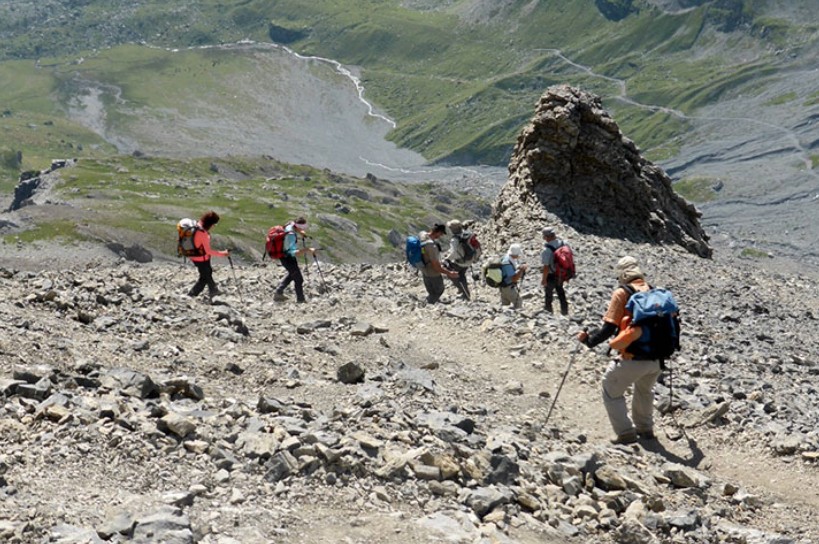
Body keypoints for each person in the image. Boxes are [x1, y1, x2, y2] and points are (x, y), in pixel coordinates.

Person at [577, 256, 660, 445]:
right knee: (644, 391)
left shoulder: (622, 293)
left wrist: (588, 341)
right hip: (657, 357)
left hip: (633, 356)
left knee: (610, 389)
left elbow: (609, 328)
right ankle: (645, 429)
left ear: (622, 274)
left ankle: (625, 433)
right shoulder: (653, 291)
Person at [187, 210, 230, 299]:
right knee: (204, 277)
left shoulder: (197, 225)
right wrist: (223, 253)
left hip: (194, 256)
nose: (214, 226)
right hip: (201, 258)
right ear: (210, 223)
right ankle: (191, 295)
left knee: (207, 273)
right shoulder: (202, 233)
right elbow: (208, 251)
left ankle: (213, 290)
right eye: (214, 224)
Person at [273, 217, 315, 303]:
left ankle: (279, 292)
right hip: (287, 258)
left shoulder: (290, 225)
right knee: (299, 279)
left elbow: (293, 224)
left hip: (284, 255)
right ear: (299, 226)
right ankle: (301, 300)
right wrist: (308, 250)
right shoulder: (291, 235)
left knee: (293, 274)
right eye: (303, 228)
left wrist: (300, 232)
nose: (304, 229)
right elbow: (293, 252)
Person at [419, 223, 458, 304]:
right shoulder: (431, 246)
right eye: (441, 234)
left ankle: (429, 301)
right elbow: (436, 267)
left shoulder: (422, 235)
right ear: (438, 232)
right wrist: (449, 273)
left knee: (431, 290)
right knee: (439, 290)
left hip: (423, 269)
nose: (441, 236)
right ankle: (430, 304)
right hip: (433, 273)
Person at [540, 227, 570, 315]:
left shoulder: (546, 250)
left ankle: (548, 311)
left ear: (546, 237)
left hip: (551, 275)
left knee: (548, 293)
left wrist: (544, 279)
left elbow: (546, 266)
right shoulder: (564, 243)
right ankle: (565, 311)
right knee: (560, 290)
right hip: (562, 272)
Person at [444, 219, 476, 300]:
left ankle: (463, 292)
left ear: (452, 229)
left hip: (461, 262)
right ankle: (464, 292)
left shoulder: (454, 240)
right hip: (469, 260)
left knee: (450, 273)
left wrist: (447, 259)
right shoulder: (467, 234)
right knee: (461, 274)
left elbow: (454, 253)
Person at [499, 243, 527, 309]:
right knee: (518, 302)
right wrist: (521, 270)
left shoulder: (507, 258)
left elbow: (515, 266)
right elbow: (514, 278)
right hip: (508, 287)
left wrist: (520, 267)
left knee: (505, 306)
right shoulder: (507, 263)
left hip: (503, 287)